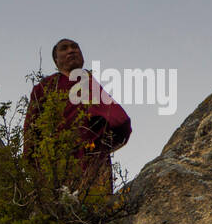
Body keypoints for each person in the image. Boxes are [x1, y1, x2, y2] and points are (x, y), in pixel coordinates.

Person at [24, 39, 132, 194]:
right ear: (56, 60)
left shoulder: (88, 82)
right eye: (64, 48)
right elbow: (31, 126)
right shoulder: (46, 86)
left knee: (96, 204)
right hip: (57, 157)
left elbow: (115, 116)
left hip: (92, 155)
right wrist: (31, 162)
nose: (71, 51)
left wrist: (103, 139)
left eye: (75, 47)